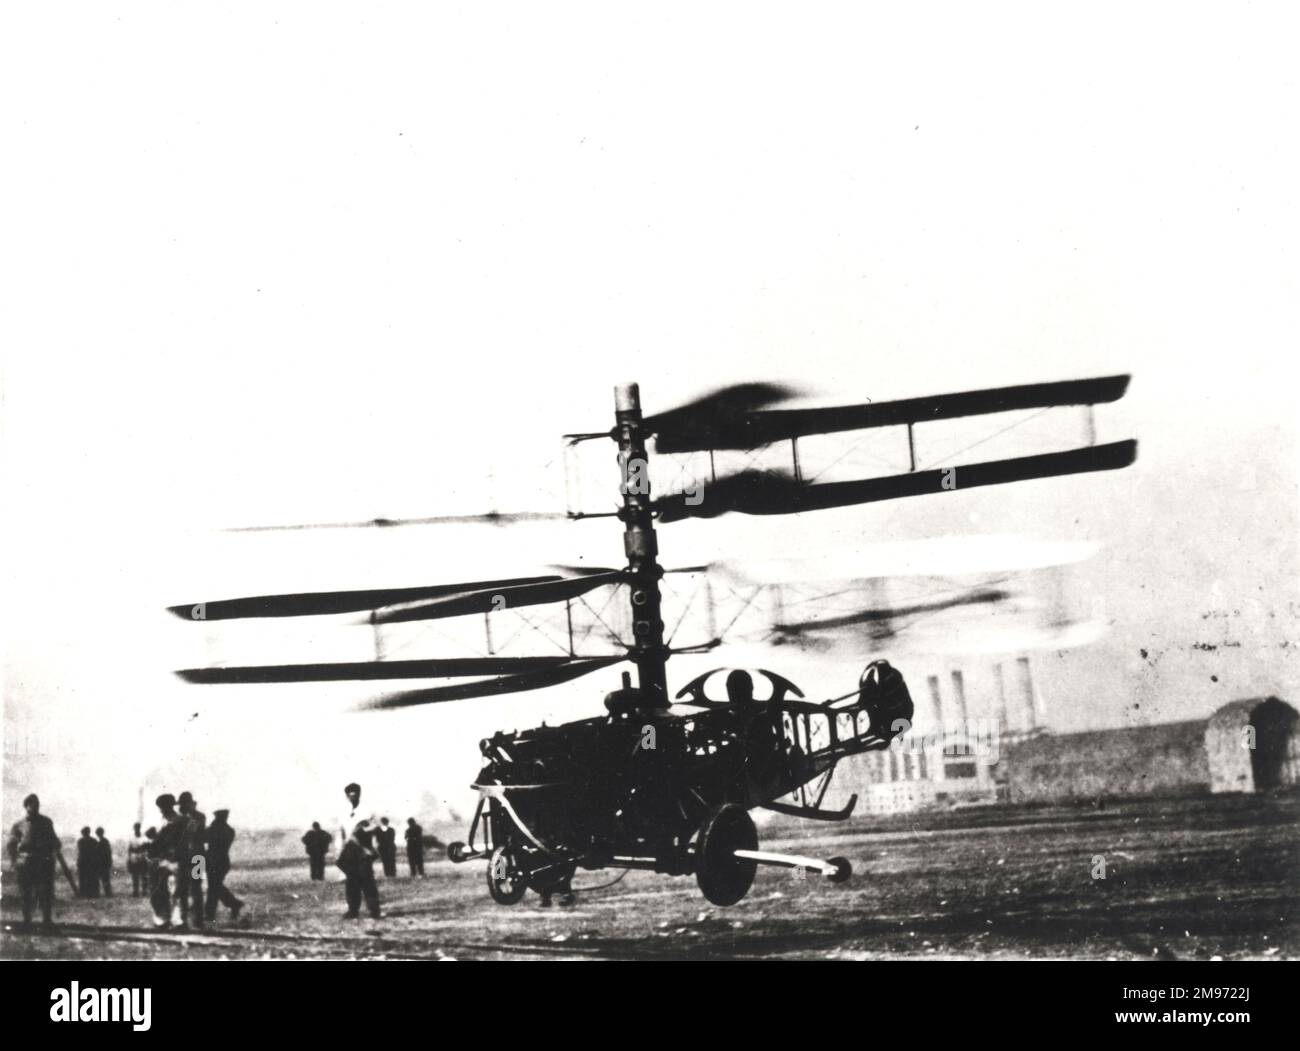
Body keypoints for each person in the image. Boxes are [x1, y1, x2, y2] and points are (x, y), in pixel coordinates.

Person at [6, 793, 60, 928]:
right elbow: (11, 844)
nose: (35, 807)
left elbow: (55, 841)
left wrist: (53, 852)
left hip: (43, 863)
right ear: (26, 807)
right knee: (25, 893)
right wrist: (14, 861)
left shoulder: (46, 822)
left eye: (37, 804)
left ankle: (46, 921)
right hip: (25, 863)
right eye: (32, 805)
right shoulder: (19, 825)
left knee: (45, 893)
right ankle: (26, 921)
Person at [337, 783, 380, 920]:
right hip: (349, 851)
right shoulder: (343, 813)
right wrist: (339, 851)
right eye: (349, 794)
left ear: (359, 794)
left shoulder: (367, 811)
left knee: (367, 881)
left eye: (355, 793)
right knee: (351, 882)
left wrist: (363, 831)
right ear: (347, 796)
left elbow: (375, 827)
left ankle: (374, 910)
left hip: (363, 850)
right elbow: (340, 833)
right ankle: (353, 910)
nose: (352, 796)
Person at [147, 794, 184, 929]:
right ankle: (162, 918)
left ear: (170, 806)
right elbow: (156, 844)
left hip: (175, 860)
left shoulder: (180, 821)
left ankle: (177, 919)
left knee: (175, 890)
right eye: (160, 807)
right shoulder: (162, 822)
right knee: (157, 890)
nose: (161, 810)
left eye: (163, 807)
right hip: (162, 861)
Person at [203, 809, 244, 922]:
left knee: (213, 888)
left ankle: (210, 914)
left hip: (213, 862)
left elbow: (203, 837)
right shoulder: (229, 830)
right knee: (215, 887)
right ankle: (234, 904)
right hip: (222, 862)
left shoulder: (214, 829)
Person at [176, 791, 207, 929]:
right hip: (183, 857)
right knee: (182, 888)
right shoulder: (181, 818)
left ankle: (198, 920)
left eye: (184, 804)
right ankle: (183, 920)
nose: (181, 807)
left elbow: (191, 831)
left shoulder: (199, 816)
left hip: (198, 857)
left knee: (196, 888)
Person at [127, 823, 150, 897]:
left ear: (140, 828)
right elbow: (130, 849)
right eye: (135, 828)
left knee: (144, 876)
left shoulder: (144, 838)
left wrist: (144, 854)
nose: (137, 829)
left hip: (142, 857)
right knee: (135, 876)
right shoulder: (131, 838)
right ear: (134, 829)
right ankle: (135, 891)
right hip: (134, 858)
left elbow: (147, 848)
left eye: (138, 828)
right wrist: (130, 858)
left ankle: (144, 891)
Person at [76, 827, 99, 898]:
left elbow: (81, 852)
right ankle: (93, 893)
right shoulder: (94, 841)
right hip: (91, 862)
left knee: (83, 879)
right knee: (91, 878)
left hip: (84, 862)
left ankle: (84, 893)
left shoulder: (80, 841)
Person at [95, 827, 113, 896]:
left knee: (105, 878)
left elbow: (108, 852)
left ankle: (107, 892)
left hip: (103, 863)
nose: (98, 834)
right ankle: (107, 892)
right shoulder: (103, 841)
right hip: (102, 863)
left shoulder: (103, 841)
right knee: (104, 878)